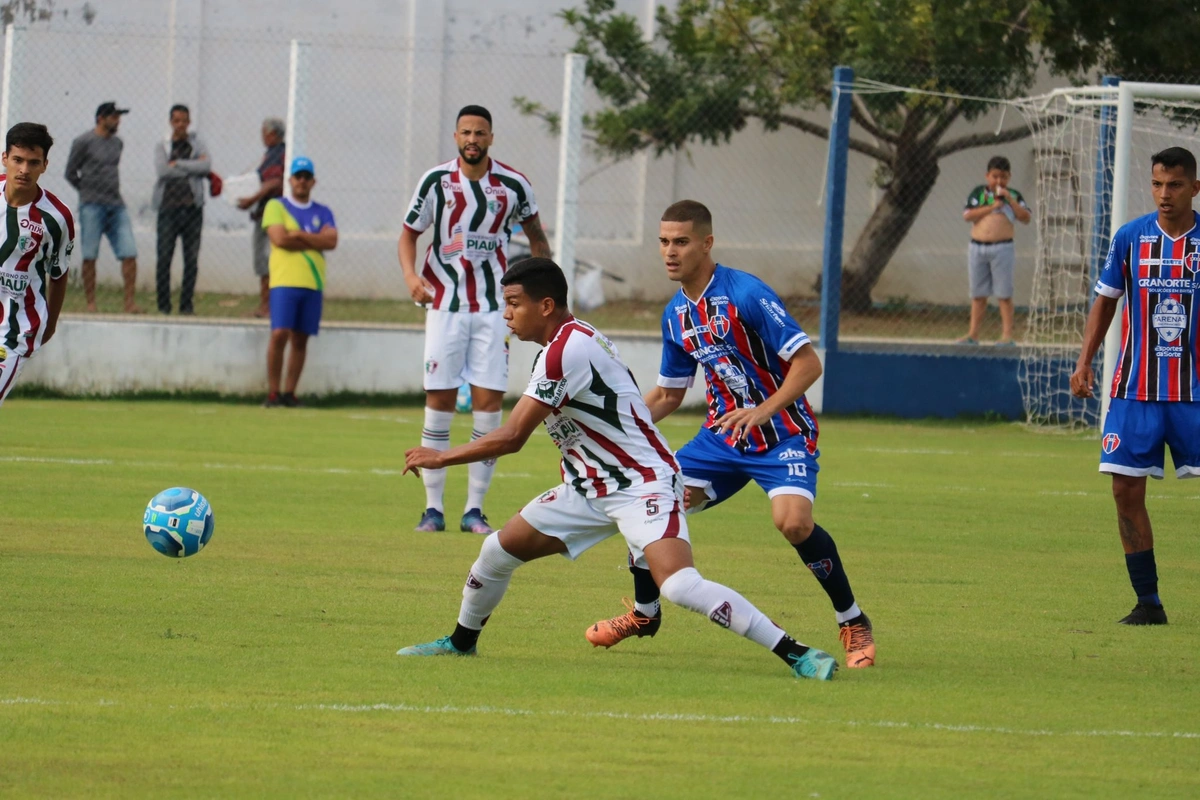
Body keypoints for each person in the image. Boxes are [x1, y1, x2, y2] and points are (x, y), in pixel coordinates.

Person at [396, 258, 840, 681]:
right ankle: (460, 643)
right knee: (496, 552)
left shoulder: (564, 351)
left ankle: (797, 653)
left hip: (641, 484)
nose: (505, 314)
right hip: (589, 488)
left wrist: (440, 456)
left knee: (681, 586)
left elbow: (511, 437)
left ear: (545, 305)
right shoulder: (569, 340)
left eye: (513, 303)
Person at [585, 200, 877, 669]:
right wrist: (605, 431)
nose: (670, 252)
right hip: (719, 441)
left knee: (793, 523)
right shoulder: (676, 314)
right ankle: (645, 614)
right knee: (650, 501)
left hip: (781, 434)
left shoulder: (746, 294)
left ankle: (852, 619)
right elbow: (667, 395)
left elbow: (808, 364)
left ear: (707, 243)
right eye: (663, 242)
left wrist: (762, 411)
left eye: (680, 242)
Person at [398, 104, 551, 535]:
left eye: (480, 133)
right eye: (466, 132)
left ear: (491, 137)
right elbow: (408, 235)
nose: (472, 140)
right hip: (444, 305)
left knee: (488, 404)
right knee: (440, 401)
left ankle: (474, 510)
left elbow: (538, 238)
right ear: (455, 137)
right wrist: (411, 275)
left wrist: (546, 292)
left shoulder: (513, 185)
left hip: (492, 310)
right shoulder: (436, 182)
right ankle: (432, 509)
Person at [1070, 146, 1200, 626]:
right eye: (1158, 184)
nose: (1165, 194)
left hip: (1196, 392)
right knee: (1125, 491)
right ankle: (1149, 603)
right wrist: (1085, 361)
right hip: (1136, 388)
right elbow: (1105, 302)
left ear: (1195, 188)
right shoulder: (1130, 237)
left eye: (1176, 185)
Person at [0, 123, 75, 408]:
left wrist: (51, 324)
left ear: (44, 165)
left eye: (33, 163)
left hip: (13, 332)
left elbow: (59, 273)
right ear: (4, 157)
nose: (24, 169)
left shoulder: (56, 219)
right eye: (17, 160)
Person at [261, 156, 337, 408]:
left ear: (313, 181)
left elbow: (332, 241)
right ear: (290, 180)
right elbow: (280, 239)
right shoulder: (276, 206)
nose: (302, 181)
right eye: (298, 176)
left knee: (301, 339)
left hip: (312, 282)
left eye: (306, 177)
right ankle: (273, 393)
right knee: (280, 333)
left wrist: (299, 235)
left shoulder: (323, 211)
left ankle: (289, 393)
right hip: (284, 280)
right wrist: (314, 238)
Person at [64, 101, 141, 314]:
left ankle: (129, 303)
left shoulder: (118, 143)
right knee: (90, 255)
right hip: (91, 205)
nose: (118, 121)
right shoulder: (83, 142)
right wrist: (86, 191)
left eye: (119, 117)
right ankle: (90, 303)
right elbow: (70, 172)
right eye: (114, 117)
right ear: (101, 118)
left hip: (116, 205)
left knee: (130, 252)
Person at [958, 155, 1031, 346]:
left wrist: (1009, 201)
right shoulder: (979, 194)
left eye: (1003, 177)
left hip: (1002, 248)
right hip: (978, 248)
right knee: (978, 294)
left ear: (1009, 177)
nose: (999, 181)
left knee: (1004, 294)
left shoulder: (1013, 195)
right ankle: (973, 334)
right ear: (987, 176)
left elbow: (1025, 217)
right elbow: (968, 215)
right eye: (995, 176)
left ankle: (1007, 335)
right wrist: (992, 207)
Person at [152, 104, 209, 315]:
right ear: (170, 122)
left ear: (189, 121)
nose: (181, 125)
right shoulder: (163, 146)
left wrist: (178, 164)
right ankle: (164, 306)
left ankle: (186, 306)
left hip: (193, 209)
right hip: (168, 209)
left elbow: (206, 167)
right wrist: (192, 167)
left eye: (184, 120)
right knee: (164, 258)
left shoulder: (198, 143)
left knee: (191, 260)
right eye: (176, 121)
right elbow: (162, 171)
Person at [237, 117, 286, 319]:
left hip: (270, 212)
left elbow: (274, 182)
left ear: (272, 134)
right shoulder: (273, 154)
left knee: (265, 260)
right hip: (267, 211)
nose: (262, 137)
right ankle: (268, 305)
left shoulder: (277, 155)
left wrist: (252, 198)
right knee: (268, 260)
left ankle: (267, 307)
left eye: (264, 133)